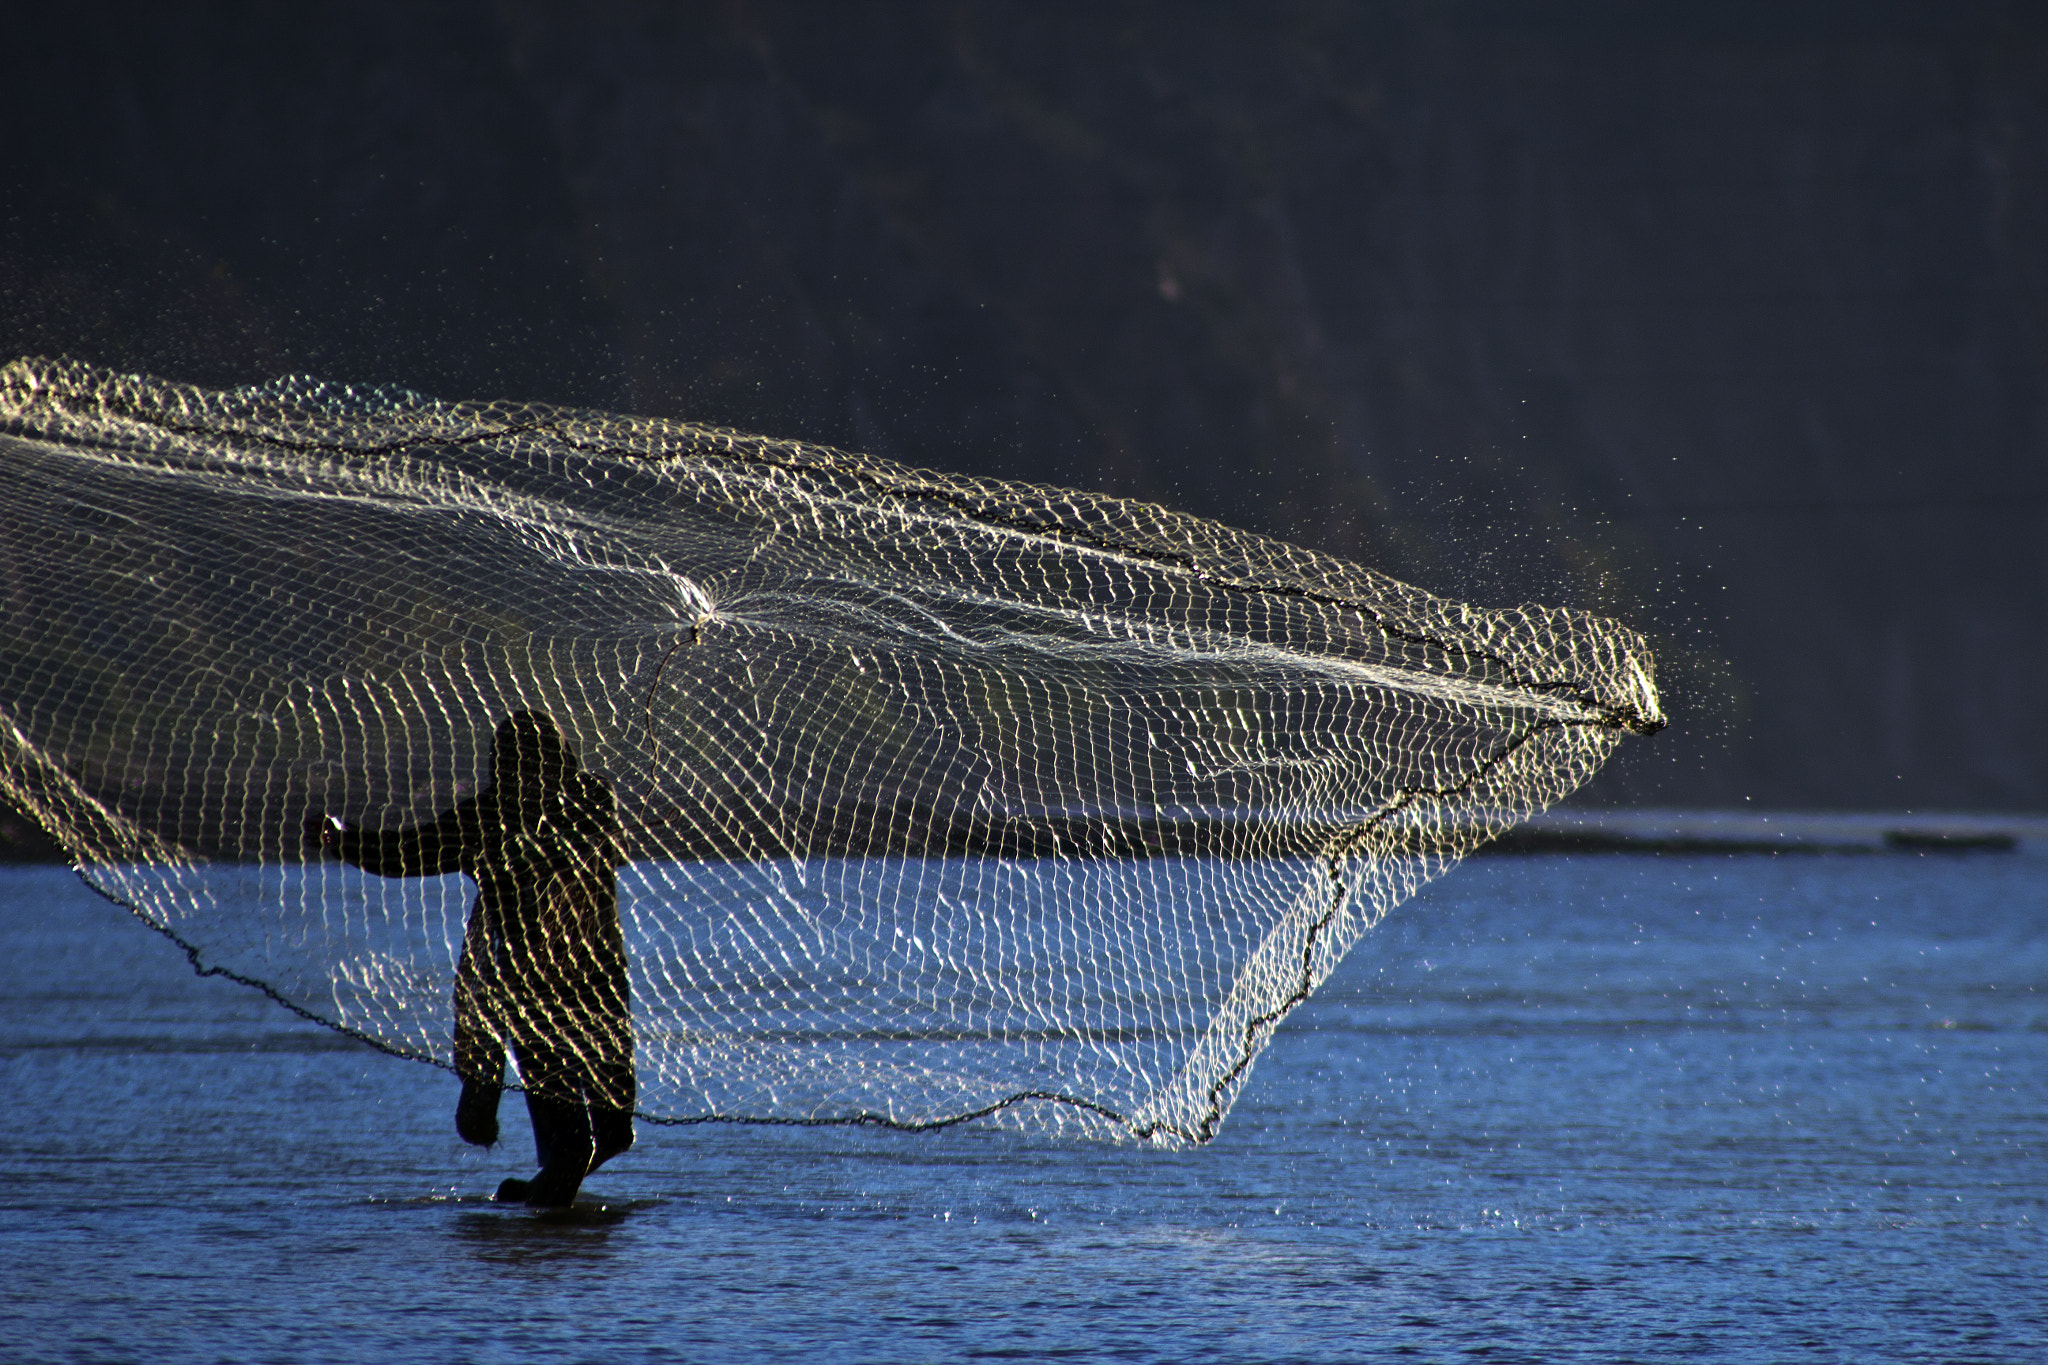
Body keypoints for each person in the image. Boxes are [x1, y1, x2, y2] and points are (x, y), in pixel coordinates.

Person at [306, 712, 633, 1207]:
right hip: (531, 995)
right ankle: (541, 1221)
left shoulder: (589, 801)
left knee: (615, 1132)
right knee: (575, 1149)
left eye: (537, 767)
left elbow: (584, 843)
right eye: (513, 768)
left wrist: (533, 850)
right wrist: (344, 839)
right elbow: (405, 853)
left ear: (562, 769)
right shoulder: (480, 822)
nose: (525, 780)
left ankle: (534, 1199)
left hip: (597, 984)